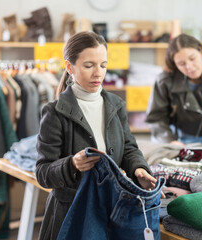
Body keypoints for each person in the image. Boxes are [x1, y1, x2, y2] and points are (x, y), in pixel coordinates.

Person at [35, 31, 157, 240]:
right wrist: (72, 164)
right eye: (89, 65)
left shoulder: (115, 105)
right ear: (69, 67)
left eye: (103, 65)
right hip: (71, 216)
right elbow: (42, 172)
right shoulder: (55, 112)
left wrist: (139, 169)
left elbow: (128, 148)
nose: (98, 73)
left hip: (110, 211)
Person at [146, 33, 202, 152]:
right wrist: (170, 141)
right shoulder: (165, 81)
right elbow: (156, 118)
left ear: (201, 52)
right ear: (175, 64)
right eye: (182, 64)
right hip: (173, 140)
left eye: (192, 58)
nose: (189, 67)